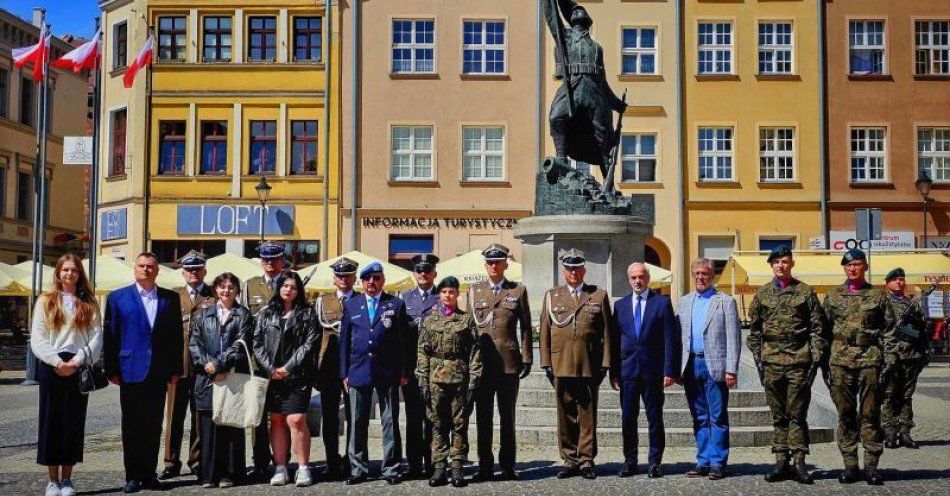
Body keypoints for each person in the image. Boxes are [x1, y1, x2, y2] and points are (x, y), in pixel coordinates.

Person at [103, 252, 184, 493]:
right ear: (134, 268)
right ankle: (132, 476)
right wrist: (111, 369)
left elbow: (175, 337)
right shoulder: (118, 298)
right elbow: (111, 335)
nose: (146, 270)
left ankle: (149, 474)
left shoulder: (169, 298)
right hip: (129, 370)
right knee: (131, 425)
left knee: (153, 425)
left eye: (150, 266)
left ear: (157, 270)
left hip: (158, 371)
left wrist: (176, 369)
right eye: (141, 266)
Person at [747, 247, 826, 484]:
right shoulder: (762, 294)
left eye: (785, 261)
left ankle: (800, 462)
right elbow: (755, 331)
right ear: (771, 265)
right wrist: (759, 358)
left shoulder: (805, 292)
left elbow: (817, 328)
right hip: (771, 362)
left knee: (798, 414)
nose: (781, 265)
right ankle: (781, 462)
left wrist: (815, 355)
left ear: (792, 264)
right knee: (778, 414)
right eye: (777, 262)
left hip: (798, 361)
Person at [31, 253, 102, 496]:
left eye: (74, 270)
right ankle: (52, 480)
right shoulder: (45, 301)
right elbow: (38, 337)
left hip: (78, 364)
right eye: (65, 270)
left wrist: (79, 359)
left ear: (79, 274)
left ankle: (67, 480)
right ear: (59, 273)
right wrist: (54, 361)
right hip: (52, 365)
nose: (69, 274)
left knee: (73, 423)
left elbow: (96, 337)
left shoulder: (89, 303)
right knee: (51, 423)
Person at [823, 249, 896, 485]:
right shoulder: (833, 296)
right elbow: (823, 332)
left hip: (870, 361)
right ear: (844, 268)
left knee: (870, 414)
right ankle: (850, 466)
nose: (853, 268)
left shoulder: (878, 296)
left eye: (857, 264)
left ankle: (872, 466)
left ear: (865, 267)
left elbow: (891, 331)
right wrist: (824, 364)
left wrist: (890, 359)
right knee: (845, 415)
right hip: (840, 363)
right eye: (848, 265)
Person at [539, 249, 613, 480]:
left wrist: (606, 363)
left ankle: (586, 459)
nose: (573, 272)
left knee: (588, 414)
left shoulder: (598, 296)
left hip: (589, 364)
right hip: (560, 364)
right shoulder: (552, 296)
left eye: (577, 268)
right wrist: (545, 363)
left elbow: (607, 333)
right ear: (564, 272)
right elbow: (544, 332)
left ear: (584, 270)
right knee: (565, 415)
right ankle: (569, 459)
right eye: (569, 268)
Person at [340, 262, 411, 485]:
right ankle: (358, 468)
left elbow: (403, 342)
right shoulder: (352, 304)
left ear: (383, 280)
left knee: (389, 421)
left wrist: (404, 370)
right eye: (368, 278)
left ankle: (391, 467)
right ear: (362, 281)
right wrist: (344, 372)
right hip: (358, 369)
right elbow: (344, 341)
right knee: (357, 421)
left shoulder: (396, 304)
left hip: (387, 371)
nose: (372, 282)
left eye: (377, 278)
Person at [468, 243, 533, 481]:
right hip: (482, 365)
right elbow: (469, 329)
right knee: (483, 418)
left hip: (508, 364)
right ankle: (484, 466)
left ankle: (507, 465)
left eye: (498, 262)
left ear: (506, 264)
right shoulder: (475, 291)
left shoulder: (518, 290)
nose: (494, 266)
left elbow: (526, 327)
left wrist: (527, 357)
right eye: (490, 262)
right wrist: (469, 363)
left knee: (508, 418)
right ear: (485, 266)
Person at [611, 262, 680, 479]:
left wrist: (670, 370)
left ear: (647, 278)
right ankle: (630, 462)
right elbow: (615, 341)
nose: (637, 281)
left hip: (654, 371)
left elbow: (671, 339)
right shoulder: (620, 306)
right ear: (628, 280)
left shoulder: (662, 303)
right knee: (628, 419)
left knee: (655, 418)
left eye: (641, 276)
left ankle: (654, 462)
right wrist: (613, 372)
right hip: (628, 372)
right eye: (633, 278)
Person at [252, 271, 320, 487]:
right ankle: (280, 467)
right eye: (284, 285)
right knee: (278, 419)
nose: (288, 289)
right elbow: (257, 344)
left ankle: (303, 468)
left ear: (298, 290)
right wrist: (271, 369)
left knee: (296, 419)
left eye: (292, 286)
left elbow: (309, 344)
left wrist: (288, 368)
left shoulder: (307, 314)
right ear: (278, 288)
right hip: (272, 376)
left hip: (297, 375)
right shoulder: (266, 314)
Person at [416, 276, 483, 488]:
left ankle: (457, 466)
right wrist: (423, 381)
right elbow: (422, 352)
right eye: (444, 292)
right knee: (437, 423)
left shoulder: (466, 320)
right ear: (439, 295)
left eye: (452, 292)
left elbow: (474, 352)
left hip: (459, 378)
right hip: (435, 378)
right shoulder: (429, 321)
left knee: (459, 424)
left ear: (457, 295)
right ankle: (439, 467)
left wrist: (474, 380)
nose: (448, 296)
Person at [189, 272, 254, 488]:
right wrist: (208, 366)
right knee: (207, 428)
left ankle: (229, 473)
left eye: (231, 287)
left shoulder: (243, 315)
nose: (226, 291)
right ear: (215, 289)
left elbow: (241, 344)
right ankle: (208, 474)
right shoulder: (203, 314)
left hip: (232, 375)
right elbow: (194, 344)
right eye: (222, 287)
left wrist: (220, 365)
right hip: (207, 378)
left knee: (230, 425)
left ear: (236, 291)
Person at [161, 250, 214, 481]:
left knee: (199, 416)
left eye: (197, 269)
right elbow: (164, 333)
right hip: (177, 366)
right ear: (182, 272)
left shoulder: (213, 295)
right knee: (173, 416)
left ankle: (196, 460)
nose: (193, 273)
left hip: (203, 367)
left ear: (204, 271)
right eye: (189, 269)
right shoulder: (173, 296)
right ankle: (171, 462)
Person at [242, 241, 287, 481]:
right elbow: (245, 324)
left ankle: (283, 459)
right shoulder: (250, 286)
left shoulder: (291, 283)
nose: (270, 264)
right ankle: (260, 460)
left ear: (282, 260)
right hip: (258, 363)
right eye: (266, 260)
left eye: (275, 259)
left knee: (283, 413)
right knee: (257, 414)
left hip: (284, 361)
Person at [312, 257, 359, 481]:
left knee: (354, 416)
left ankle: (353, 461)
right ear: (334, 278)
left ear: (355, 278)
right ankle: (332, 461)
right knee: (329, 417)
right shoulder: (322, 301)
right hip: (328, 367)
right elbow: (314, 337)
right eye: (340, 275)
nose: (343, 279)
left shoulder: (361, 300)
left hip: (355, 366)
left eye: (348, 275)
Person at [399, 253, 440, 478]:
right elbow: (400, 339)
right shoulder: (404, 299)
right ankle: (414, 465)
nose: (423, 274)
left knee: (434, 418)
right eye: (419, 271)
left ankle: (434, 463)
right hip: (412, 369)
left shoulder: (442, 299)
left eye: (427, 270)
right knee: (413, 418)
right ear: (414, 274)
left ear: (434, 273)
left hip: (436, 369)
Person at [881, 267, 930, 450]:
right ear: (887, 283)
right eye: (895, 280)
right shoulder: (883, 303)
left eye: (902, 280)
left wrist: (915, 329)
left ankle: (905, 431)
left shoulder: (913, 304)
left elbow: (922, 330)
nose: (899, 283)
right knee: (889, 394)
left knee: (906, 396)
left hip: (911, 355)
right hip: (892, 355)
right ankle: (890, 431)